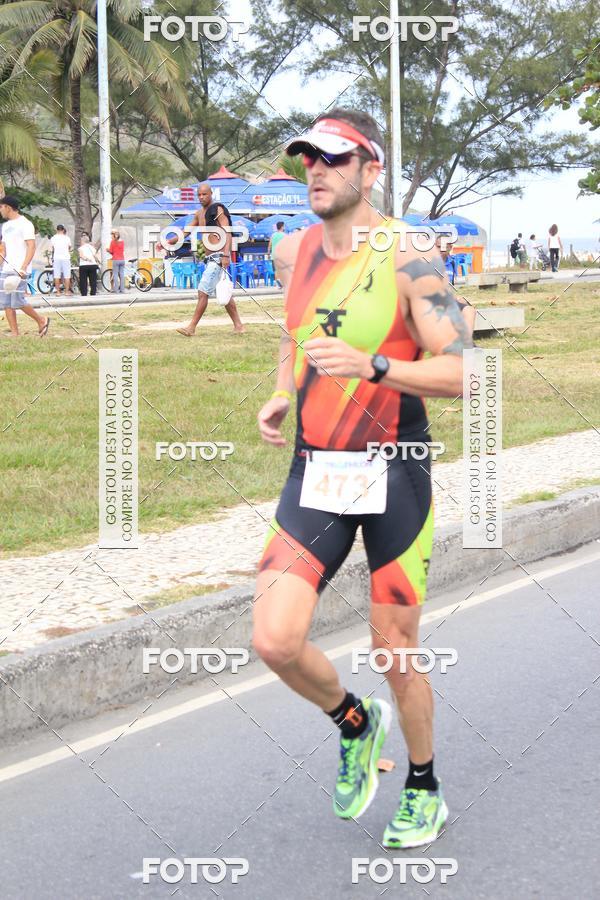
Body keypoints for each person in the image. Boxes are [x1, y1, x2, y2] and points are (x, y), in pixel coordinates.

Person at [252, 109, 475, 850]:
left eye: (334, 159)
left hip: (394, 472)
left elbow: (465, 372)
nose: (315, 169)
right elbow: (298, 331)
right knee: (276, 640)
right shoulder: (294, 250)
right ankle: (354, 721)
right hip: (315, 469)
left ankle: (423, 785)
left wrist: (377, 366)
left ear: (370, 170)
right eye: (306, 159)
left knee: (393, 649)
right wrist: (284, 389)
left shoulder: (410, 255)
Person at [175, 184, 244, 336]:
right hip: (208, 259)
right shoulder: (199, 214)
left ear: (211, 194)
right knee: (225, 295)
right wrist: (169, 241)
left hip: (219, 257)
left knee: (203, 291)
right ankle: (239, 326)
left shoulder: (218, 210)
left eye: (204, 194)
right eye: (199, 195)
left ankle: (191, 327)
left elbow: (228, 232)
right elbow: (186, 231)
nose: (201, 197)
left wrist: (226, 254)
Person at [0, 194, 49, 337]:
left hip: (20, 269)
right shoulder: (6, 226)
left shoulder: (25, 224)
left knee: (18, 301)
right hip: (6, 269)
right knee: (6, 303)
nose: (0, 210)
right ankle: (15, 333)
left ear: (8, 207)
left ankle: (41, 320)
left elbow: (31, 247)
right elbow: (4, 249)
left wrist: (24, 266)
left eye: (1, 207)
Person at [50, 224, 72, 295]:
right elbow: (69, 247)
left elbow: (52, 248)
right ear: (63, 230)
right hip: (66, 258)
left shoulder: (53, 238)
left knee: (56, 275)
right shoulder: (67, 238)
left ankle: (58, 292)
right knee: (67, 275)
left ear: (57, 230)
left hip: (56, 258)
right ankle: (66, 292)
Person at [78, 232, 100, 296]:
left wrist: (87, 259)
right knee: (93, 280)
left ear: (83, 241)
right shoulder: (92, 248)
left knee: (83, 280)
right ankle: (93, 292)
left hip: (84, 265)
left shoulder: (81, 248)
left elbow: (81, 256)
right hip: (93, 265)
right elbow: (95, 256)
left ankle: (84, 293)